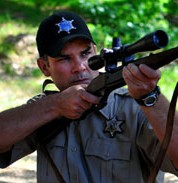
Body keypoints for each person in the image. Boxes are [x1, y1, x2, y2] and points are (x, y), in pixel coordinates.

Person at [0, 10, 178, 183]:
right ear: (45, 67)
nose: (80, 66)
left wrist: (151, 98)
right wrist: (54, 106)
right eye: (64, 59)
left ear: (95, 51)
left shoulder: (134, 107)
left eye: (85, 54)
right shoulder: (43, 109)